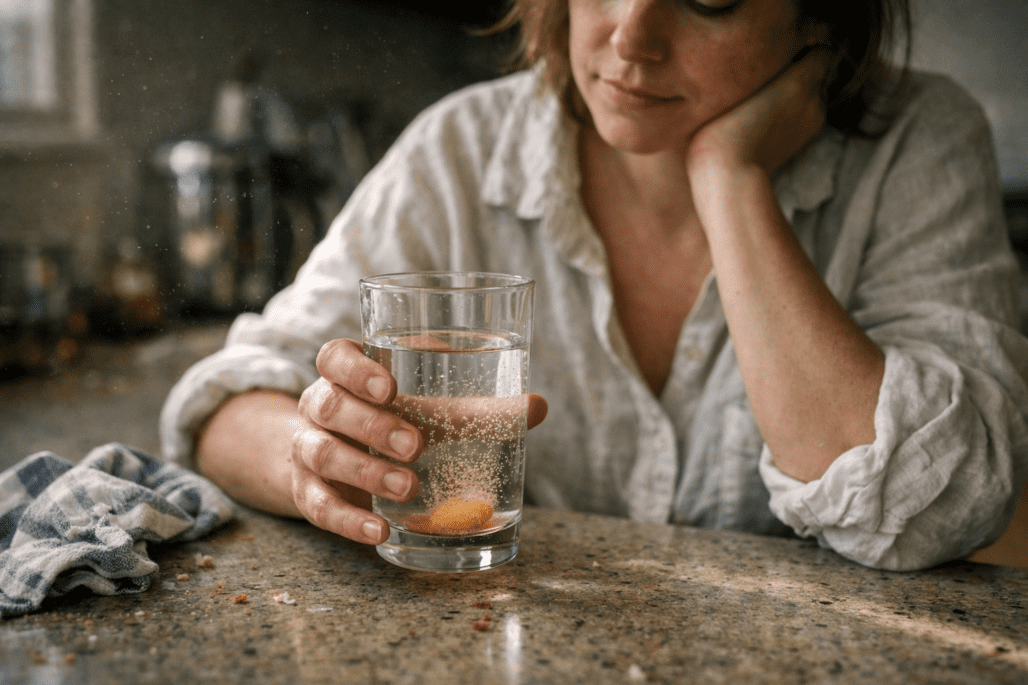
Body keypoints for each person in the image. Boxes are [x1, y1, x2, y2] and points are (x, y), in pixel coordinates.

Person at [160, 0, 1028, 571]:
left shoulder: (920, 140)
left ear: (821, 24)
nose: (630, 37)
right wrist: (314, 456)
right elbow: (226, 406)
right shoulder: (460, 149)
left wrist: (730, 179)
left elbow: (944, 508)